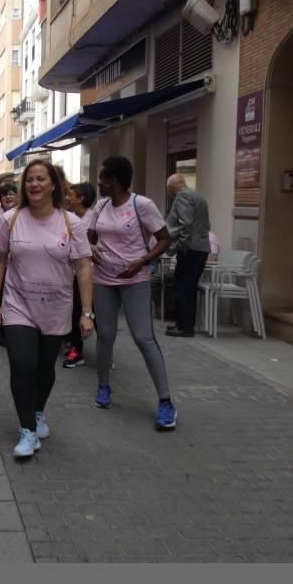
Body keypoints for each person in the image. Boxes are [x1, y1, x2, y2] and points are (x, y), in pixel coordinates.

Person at [0, 160, 94, 457]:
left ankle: (37, 411)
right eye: (30, 180)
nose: (34, 184)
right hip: (18, 304)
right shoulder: (10, 219)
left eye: (40, 179)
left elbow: (84, 268)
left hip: (56, 307)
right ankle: (27, 431)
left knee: (44, 368)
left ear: (53, 185)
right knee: (22, 365)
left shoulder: (71, 223)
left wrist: (86, 313)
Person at [88, 156, 176, 430]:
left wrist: (143, 260)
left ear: (113, 180)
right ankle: (104, 387)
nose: (99, 183)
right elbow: (88, 236)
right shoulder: (100, 206)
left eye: (102, 178)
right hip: (103, 280)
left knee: (143, 337)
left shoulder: (142, 205)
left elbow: (164, 239)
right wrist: (92, 250)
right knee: (105, 335)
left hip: (135, 279)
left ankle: (165, 402)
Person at [164, 173, 211, 338]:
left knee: (183, 286)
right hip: (201, 247)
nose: (169, 192)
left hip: (190, 248)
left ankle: (185, 327)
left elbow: (186, 224)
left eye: (169, 188)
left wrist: (180, 246)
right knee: (187, 286)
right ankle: (183, 324)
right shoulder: (198, 196)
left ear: (173, 186)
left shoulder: (182, 196)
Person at [62, 182, 97, 368]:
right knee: (75, 313)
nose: (67, 198)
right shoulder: (70, 219)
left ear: (81, 198)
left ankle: (105, 355)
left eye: (70, 194)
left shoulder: (95, 219)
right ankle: (77, 351)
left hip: (96, 276)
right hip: (74, 276)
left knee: (97, 317)